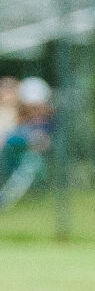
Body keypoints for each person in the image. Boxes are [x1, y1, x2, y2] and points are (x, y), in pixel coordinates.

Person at [0, 76, 53, 208]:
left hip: (28, 159)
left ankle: (4, 199)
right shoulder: (16, 117)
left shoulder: (46, 122)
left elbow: (44, 143)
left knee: (30, 164)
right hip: (8, 157)